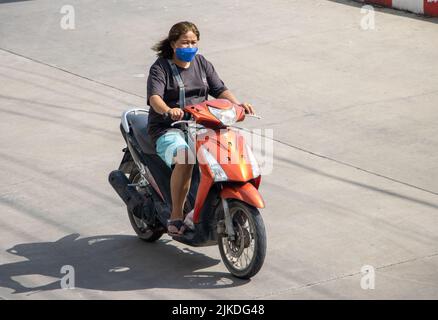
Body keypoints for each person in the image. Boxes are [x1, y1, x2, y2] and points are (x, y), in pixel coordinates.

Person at [146, 21, 255, 236]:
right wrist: (169, 110)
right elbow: (154, 98)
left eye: (193, 42)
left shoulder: (202, 63)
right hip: (169, 128)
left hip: (202, 125)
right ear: (173, 43)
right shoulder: (161, 67)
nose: (189, 47)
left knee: (227, 154)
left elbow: (220, 89)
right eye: (184, 43)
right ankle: (176, 216)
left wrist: (238, 106)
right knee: (186, 157)